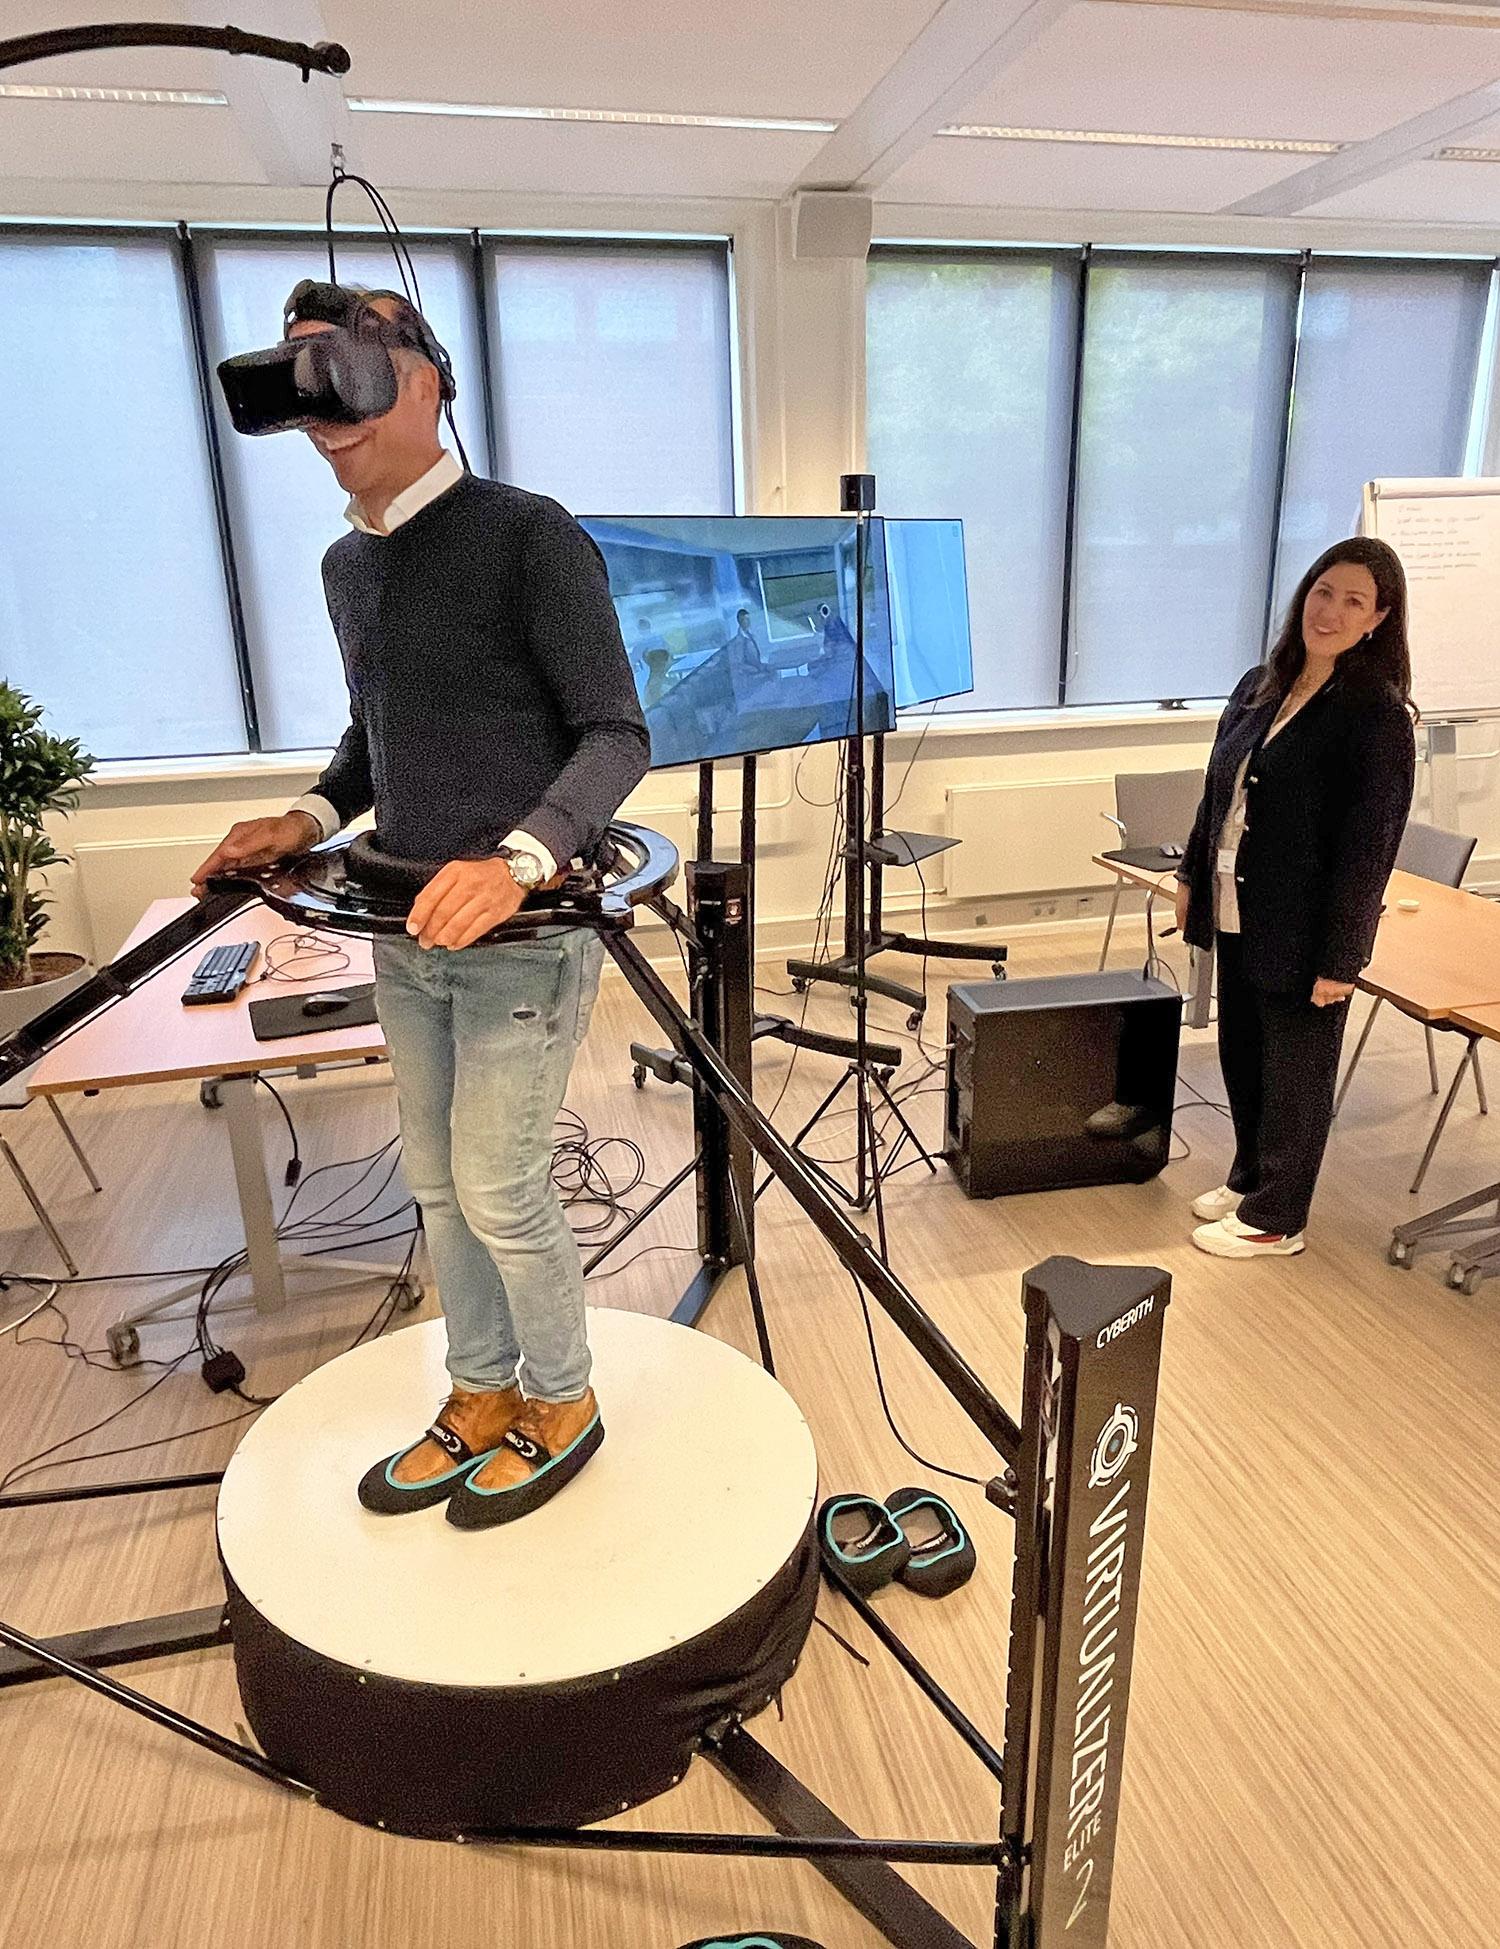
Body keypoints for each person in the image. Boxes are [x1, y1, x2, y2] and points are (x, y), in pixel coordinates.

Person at [193, 284, 650, 1526]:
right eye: (300, 379)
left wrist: (520, 858)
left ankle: (564, 1398)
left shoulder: (529, 535)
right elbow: (376, 739)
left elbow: (616, 733)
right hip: (405, 927)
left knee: (500, 1185)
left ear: (425, 378)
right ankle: (481, 1389)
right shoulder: (348, 565)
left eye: (341, 365)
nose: (320, 405)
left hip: (519, 935)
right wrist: (306, 816)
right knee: (440, 1187)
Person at [1175, 537, 1416, 1261]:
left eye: (1353, 601)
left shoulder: (1376, 716)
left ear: (1378, 618)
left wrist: (1343, 957)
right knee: (1244, 1050)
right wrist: (1189, 877)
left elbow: (1370, 848)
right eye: (1323, 591)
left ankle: (1279, 1218)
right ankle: (1251, 1177)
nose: (1330, 611)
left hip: (1307, 925)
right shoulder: (1261, 685)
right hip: (1238, 901)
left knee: (1297, 1071)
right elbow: (1217, 792)